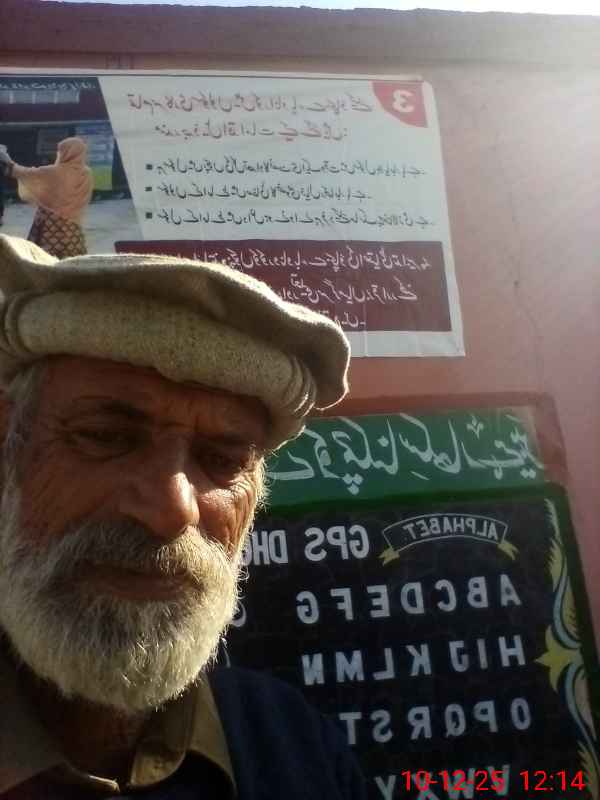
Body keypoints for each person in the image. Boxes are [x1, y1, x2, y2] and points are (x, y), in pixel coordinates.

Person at [0, 234, 364, 799]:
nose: (173, 510)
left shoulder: (294, 745)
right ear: (9, 449)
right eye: (106, 437)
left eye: (222, 460)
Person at [0, 137, 93, 258]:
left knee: (45, 258)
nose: (58, 154)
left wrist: (5, 157)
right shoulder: (87, 173)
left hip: (50, 225)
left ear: (67, 152)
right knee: (73, 258)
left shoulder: (54, 171)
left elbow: (23, 173)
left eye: (60, 151)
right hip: (73, 225)